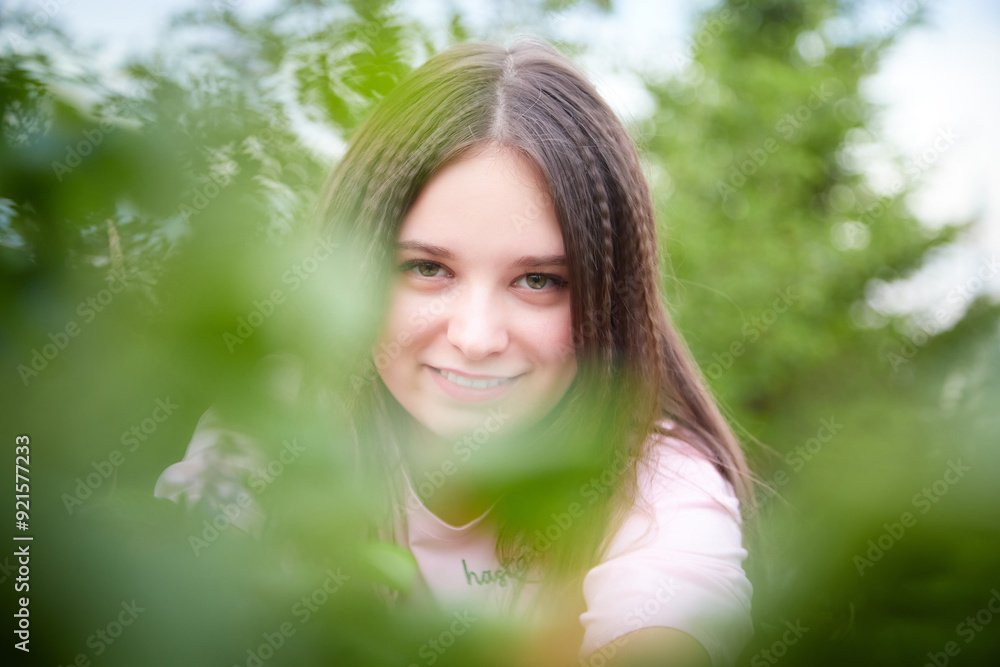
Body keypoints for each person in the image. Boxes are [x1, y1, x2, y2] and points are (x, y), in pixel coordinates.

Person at [155, 37, 755, 667]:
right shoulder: (274, 428)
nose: (475, 337)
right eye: (426, 268)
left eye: (539, 281)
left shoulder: (658, 482)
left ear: (609, 298)